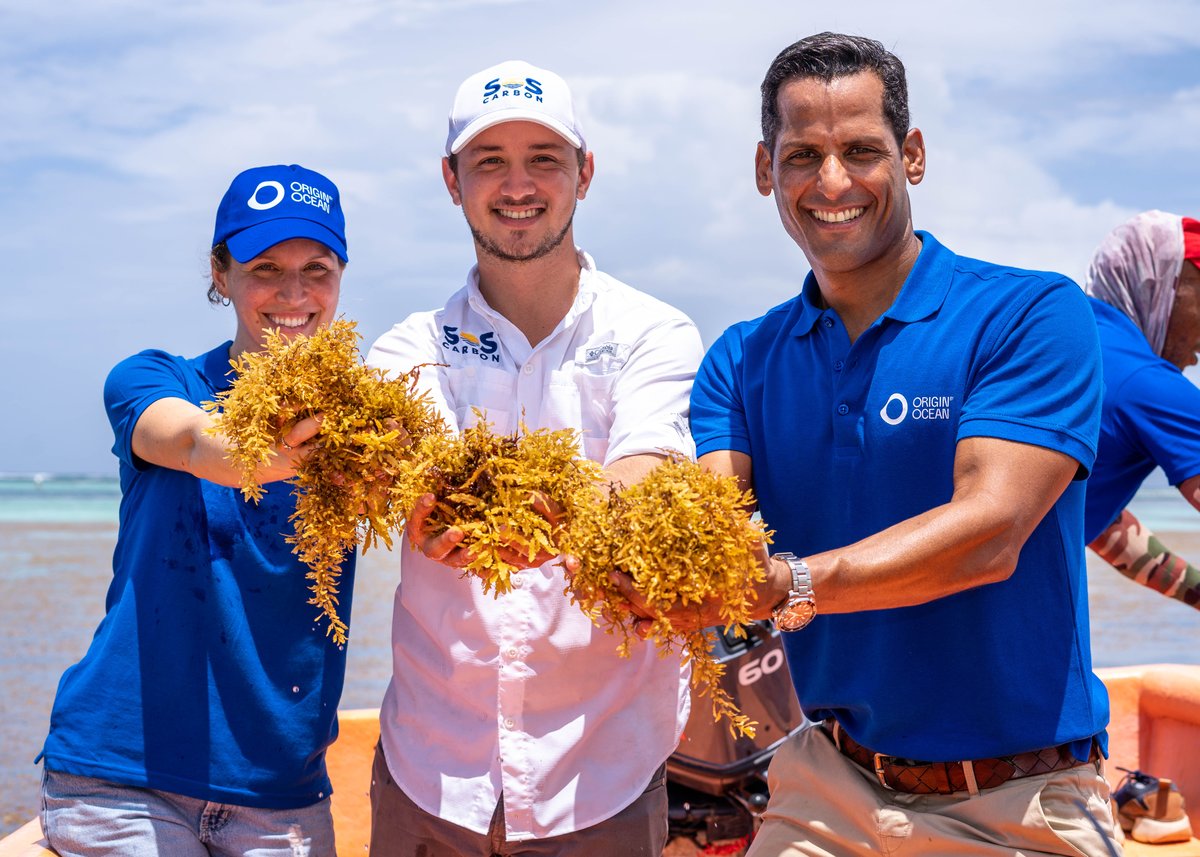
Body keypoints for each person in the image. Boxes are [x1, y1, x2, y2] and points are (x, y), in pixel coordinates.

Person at [639, 32, 1120, 856]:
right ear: (766, 171)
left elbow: (988, 534)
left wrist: (784, 583)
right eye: (802, 155)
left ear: (914, 155)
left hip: (1017, 800)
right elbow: (712, 530)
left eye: (861, 149)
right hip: (824, 787)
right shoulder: (742, 358)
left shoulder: (1030, 315)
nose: (832, 182)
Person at [365, 60, 702, 856]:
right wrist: (420, 494)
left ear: (585, 172)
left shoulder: (655, 332)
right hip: (429, 769)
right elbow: (413, 474)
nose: (518, 184)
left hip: (600, 774)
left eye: (543, 158)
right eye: (489, 161)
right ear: (452, 181)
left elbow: (647, 470)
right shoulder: (409, 349)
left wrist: (504, 506)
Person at [39, 164, 355, 856]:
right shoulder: (153, 379)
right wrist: (296, 449)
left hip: (280, 789)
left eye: (317, 268)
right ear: (221, 272)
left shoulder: (364, 422)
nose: (294, 293)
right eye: (265, 267)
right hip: (124, 778)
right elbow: (189, 438)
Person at [1083, 210, 1200, 611]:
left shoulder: (1068, 342)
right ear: (1162, 284)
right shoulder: (1147, 383)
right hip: (994, 620)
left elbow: (1092, 517)